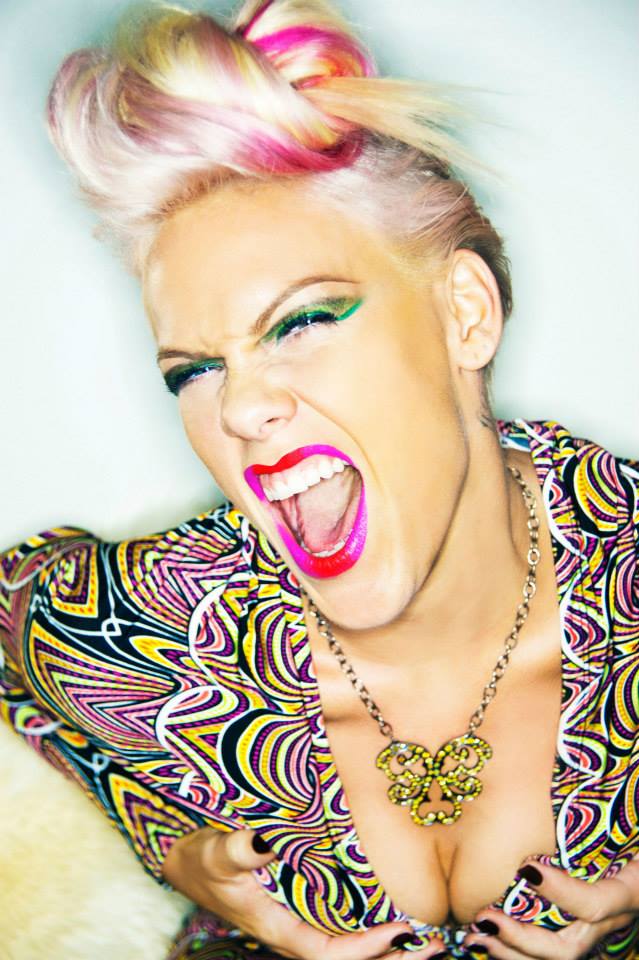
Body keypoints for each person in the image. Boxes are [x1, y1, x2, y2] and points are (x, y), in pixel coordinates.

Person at [1, 1, 637, 958]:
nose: (241, 406)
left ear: (464, 314)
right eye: (193, 370)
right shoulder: (168, 624)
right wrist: (171, 847)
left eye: (300, 322)